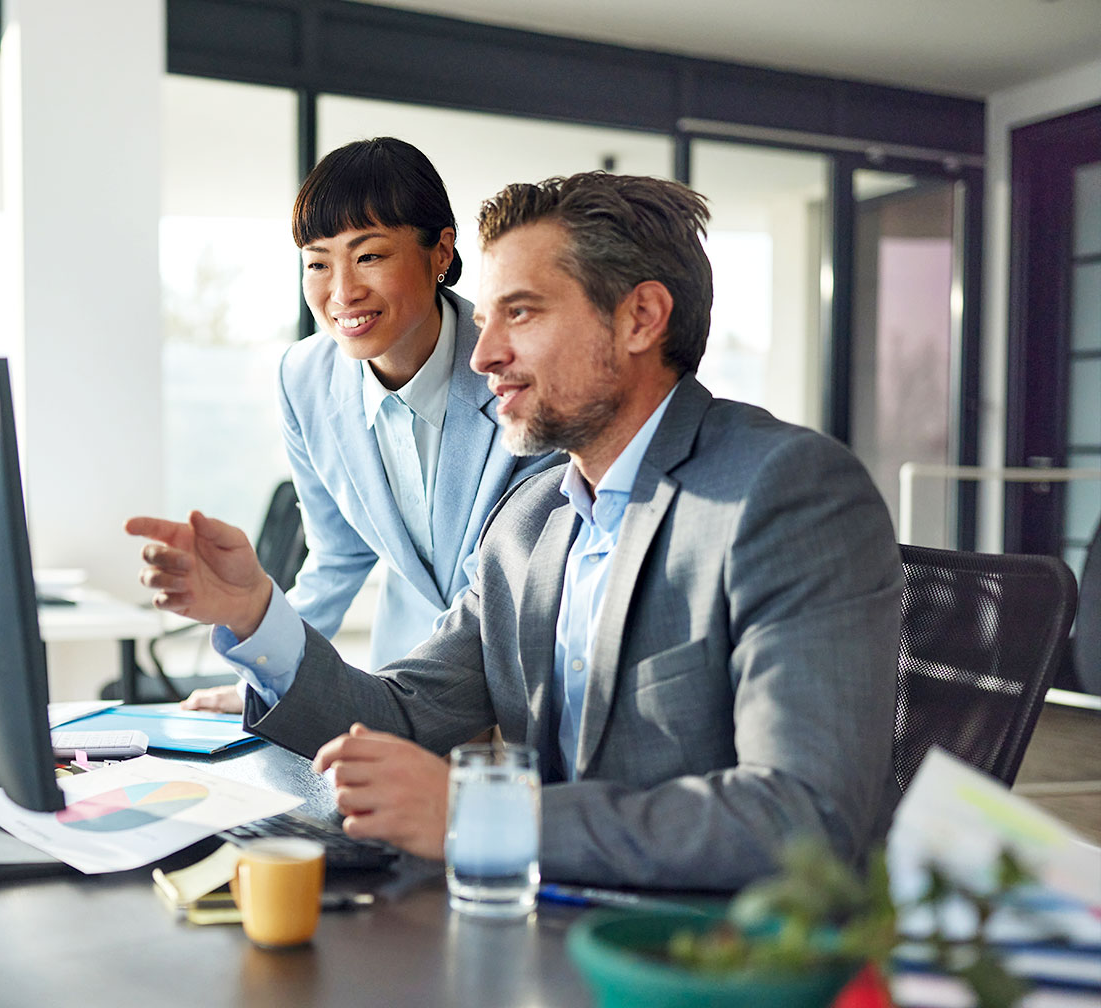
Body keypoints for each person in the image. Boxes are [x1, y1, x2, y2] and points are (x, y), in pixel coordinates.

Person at [128, 171, 903, 891]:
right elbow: (403, 715)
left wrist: (485, 817)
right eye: (489, 315)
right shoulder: (531, 522)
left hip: (718, 959)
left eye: (521, 312)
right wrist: (254, 616)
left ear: (640, 318)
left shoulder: (785, 493)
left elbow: (804, 819)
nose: (486, 353)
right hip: (546, 927)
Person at [181, 137, 557, 713]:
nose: (342, 291)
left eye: (369, 255)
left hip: (525, 686)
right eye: (317, 263)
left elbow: (523, 572)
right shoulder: (303, 378)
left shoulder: (512, 365)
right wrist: (268, 680)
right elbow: (336, 555)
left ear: (440, 252)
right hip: (399, 685)